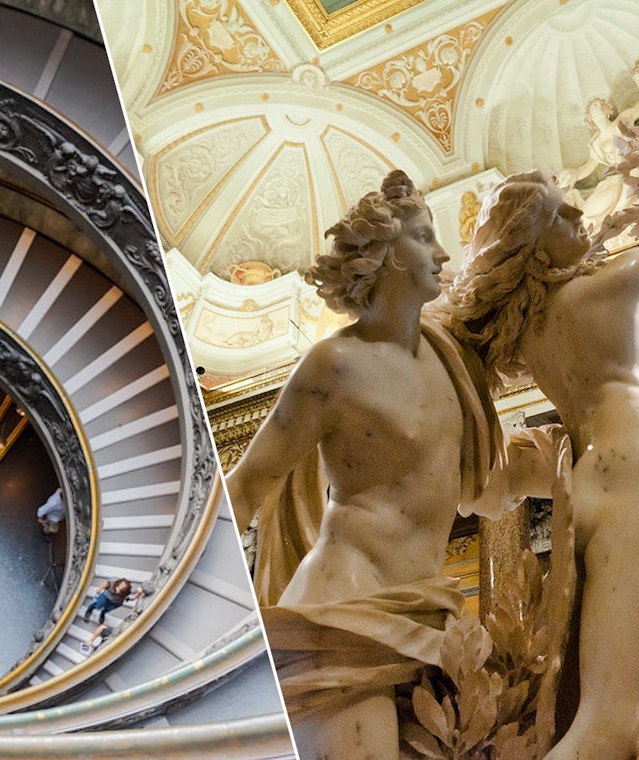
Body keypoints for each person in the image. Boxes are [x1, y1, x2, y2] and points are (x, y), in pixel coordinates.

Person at [447, 132, 639, 758]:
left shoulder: (535, 326)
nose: (580, 213)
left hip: (607, 478)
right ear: (533, 246)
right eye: (561, 212)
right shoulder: (596, 292)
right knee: (618, 722)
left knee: (632, 707)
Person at [224, 170, 500, 760]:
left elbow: (478, 488)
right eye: (424, 236)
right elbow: (245, 487)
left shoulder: (451, 358)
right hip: (344, 610)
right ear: (385, 255)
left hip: (428, 617)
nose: (442, 252)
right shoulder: (334, 365)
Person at [558, 59, 639, 233]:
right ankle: (596, 226)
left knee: (626, 192)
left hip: (635, 168)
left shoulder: (622, 120)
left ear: (607, 110)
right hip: (616, 178)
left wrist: (638, 79)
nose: (597, 107)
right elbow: (587, 168)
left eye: (599, 104)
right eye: (593, 107)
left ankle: (619, 218)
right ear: (589, 117)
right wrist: (570, 175)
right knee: (588, 213)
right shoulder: (595, 143)